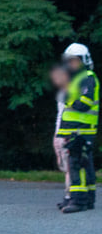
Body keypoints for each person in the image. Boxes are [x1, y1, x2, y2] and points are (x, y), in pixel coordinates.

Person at [57, 43, 99, 214]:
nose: (72, 64)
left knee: (77, 165)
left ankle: (78, 200)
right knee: (85, 164)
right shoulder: (77, 78)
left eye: (75, 61)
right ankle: (88, 199)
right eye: (70, 61)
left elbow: (85, 103)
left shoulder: (87, 77)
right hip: (78, 129)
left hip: (81, 130)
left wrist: (69, 99)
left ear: (84, 61)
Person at [50, 64, 71, 208]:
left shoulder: (73, 92)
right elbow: (60, 116)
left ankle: (70, 196)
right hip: (61, 134)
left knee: (70, 168)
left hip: (69, 134)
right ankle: (69, 195)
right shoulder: (62, 94)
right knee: (65, 167)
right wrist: (56, 136)